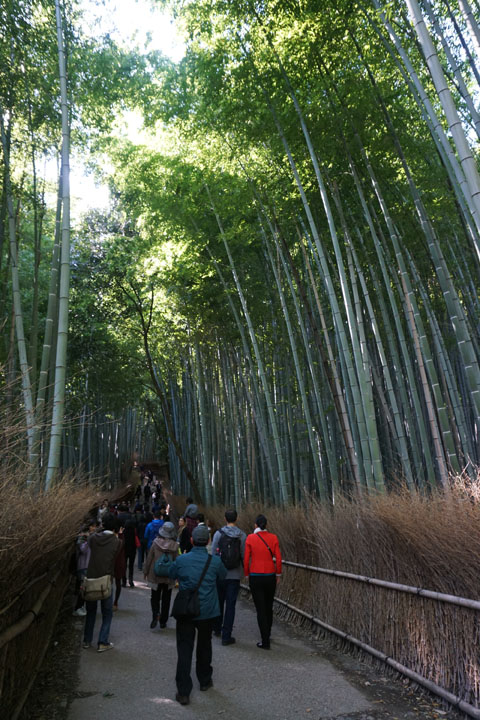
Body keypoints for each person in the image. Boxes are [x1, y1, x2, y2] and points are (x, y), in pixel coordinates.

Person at [169, 525, 227, 706]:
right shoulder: (215, 561)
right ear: (208, 541)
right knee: (204, 645)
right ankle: (204, 680)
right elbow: (223, 576)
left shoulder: (182, 560)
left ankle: (183, 691)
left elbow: (172, 573)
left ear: (192, 541)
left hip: (186, 610)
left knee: (184, 648)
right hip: (207, 611)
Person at [83, 513, 122, 652]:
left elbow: (89, 540)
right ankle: (102, 642)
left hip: (91, 577)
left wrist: (99, 529)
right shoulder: (117, 542)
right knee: (107, 613)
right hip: (106, 580)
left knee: (91, 612)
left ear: (102, 524)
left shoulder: (93, 539)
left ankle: (87, 640)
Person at [243, 514, 282, 650]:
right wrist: (278, 573)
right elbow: (278, 558)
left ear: (255, 525)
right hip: (270, 575)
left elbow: (246, 559)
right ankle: (268, 633)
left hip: (255, 576)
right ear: (266, 525)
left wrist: (246, 574)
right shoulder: (273, 537)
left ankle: (265, 640)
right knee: (268, 606)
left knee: (260, 609)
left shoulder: (250, 538)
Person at [211, 509, 246, 645]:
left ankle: (216, 628)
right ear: (236, 519)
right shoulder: (242, 535)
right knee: (231, 605)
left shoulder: (218, 534)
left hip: (220, 574)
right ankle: (226, 636)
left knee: (219, 601)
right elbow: (243, 555)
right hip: (234, 574)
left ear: (225, 519)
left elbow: (214, 554)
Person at [144, 521, 179, 629]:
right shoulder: (175, 546)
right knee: (166, 598)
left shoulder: (155, 543)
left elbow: (149, 558)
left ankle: (156, 614)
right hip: (168, 576)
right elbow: (177, 561)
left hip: (155, 574)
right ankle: (163, 621)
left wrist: (145, 571)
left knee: (155, 597)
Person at [73, 519, 97, 616]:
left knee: (85, 587)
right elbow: (82, 549)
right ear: (88, 526)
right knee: (82, 588)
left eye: (95, 526)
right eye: (92, 526)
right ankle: (77, 608)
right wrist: (89, 539)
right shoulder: (82, 537)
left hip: (88, 564)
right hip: (82, 565)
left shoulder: (91, 536)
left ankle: (80, 606)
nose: (94, 528)